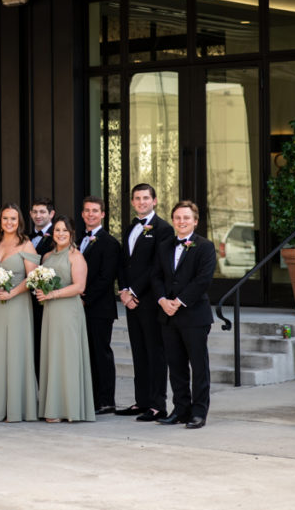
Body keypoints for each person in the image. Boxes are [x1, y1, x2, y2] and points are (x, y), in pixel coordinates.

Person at [154, 201, 216, 430]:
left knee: (199, 367)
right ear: (173, 220)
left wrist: (178, 302)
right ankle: (180, 409)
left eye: (186, 218)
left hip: (194, 316)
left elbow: (203, 280)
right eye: (178, 217)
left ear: (195, 221)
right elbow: (156, 276)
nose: (182, 221)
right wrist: (162, 300)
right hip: (168, 315)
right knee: (176, 365)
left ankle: (199, 412)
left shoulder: (205, 247)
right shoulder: (164, 245)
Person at [116, 183, 175, 422]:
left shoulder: (163, 229)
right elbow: (124, 263)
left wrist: (134, 291)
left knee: (155, 352)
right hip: (130, 300)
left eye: (146, 198)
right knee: (138, 352)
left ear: (155, 200)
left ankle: (157, 405)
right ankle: (141, 402)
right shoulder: (130, 227)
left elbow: (156, 266)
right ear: (132, 202)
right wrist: (122, 290)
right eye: (137, 198)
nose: (141, 202)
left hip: (149, 300)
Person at [0, 202, 38, 422]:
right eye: (5, 218)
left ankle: (15, 407)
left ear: (19, 221)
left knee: (15, 350)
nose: (9, 222)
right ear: (0, 221)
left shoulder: (26, 245)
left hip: (17, 304)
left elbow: (33, 278)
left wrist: (12, 292)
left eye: (13, 218)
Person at [35, 215, 94, 423]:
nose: (60, 234)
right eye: (57, 230)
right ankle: (53, 407)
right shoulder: (47, 257)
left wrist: (51, 295)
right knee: (53, 356)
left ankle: (70, 409)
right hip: (50, 311)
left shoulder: (75, 256)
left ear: (71, 234)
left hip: (68, 310)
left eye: (64, 231)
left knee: (67, 357)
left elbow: (79, 287)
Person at [79, 196, 121, 416]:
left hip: (100, 308)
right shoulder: (78, 240)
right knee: (87, 354)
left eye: (95, 211)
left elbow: (107, 278)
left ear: (103, 214)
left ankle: (107, 400)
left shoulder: (110, 243)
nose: (90, 214)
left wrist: (85, 297)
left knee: (101, 353)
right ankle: (91, 398)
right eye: (87, 211)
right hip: (80, 308)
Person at [28, 197, 56, 379]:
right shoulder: (25, 238)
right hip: (28, 300)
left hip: (52, 300)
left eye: (42, 212)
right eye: (35, 212)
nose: (38, 216)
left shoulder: (60, 235)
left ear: (51, 214)